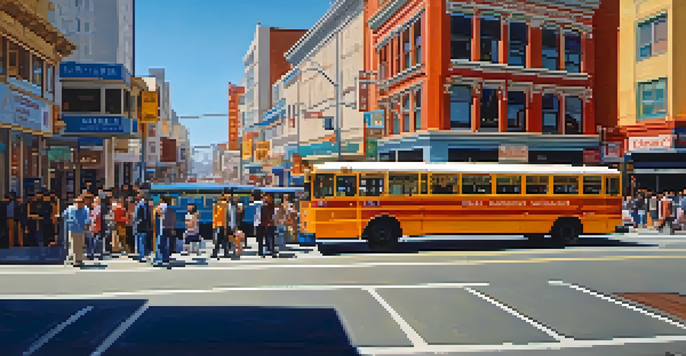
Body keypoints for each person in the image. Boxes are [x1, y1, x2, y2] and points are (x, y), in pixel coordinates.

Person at [64, 196, 90, 267]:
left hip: (81, 229)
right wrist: (69, 221)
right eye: (78, 203)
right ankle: (76, 260)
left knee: (80, 244)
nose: (79, 204)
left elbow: (87, 219)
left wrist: (86, 227)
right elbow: (65, 215)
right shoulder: (70, 209)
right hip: (72, 228)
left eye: (80, 203)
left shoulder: (85, 210)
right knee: (74, 244)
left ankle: (78, 258)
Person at [154, 196, 175, 266]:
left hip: (162, 227)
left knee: (159, 244)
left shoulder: (162, 206)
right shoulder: (170, 208)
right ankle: (166, 258)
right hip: (168, 227)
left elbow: (157, 212)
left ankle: (159, 259)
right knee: (166, 244)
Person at [133, 193, 152, 262]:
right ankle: (142, 255)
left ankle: (141, 255)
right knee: (142, 240)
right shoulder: (144, 205)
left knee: (140, 240)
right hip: (144, 225)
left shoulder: (140, 205)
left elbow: (136, 216)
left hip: (140, 225)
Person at [211, 194, 230, 259]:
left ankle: (216, 252)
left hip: (219, 225)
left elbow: (216, 216)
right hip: (220, 225)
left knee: (218, 240)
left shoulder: (218, 206)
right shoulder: (222, 206)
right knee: (223, 240)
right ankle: (225, 252)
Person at [259, 193, 276, 258]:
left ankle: (272, 250)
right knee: (265, 237)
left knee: (271, 237)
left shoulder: (272, 205)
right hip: (264, 223)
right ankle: (266, 250)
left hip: (271, 223)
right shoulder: (264, 206)